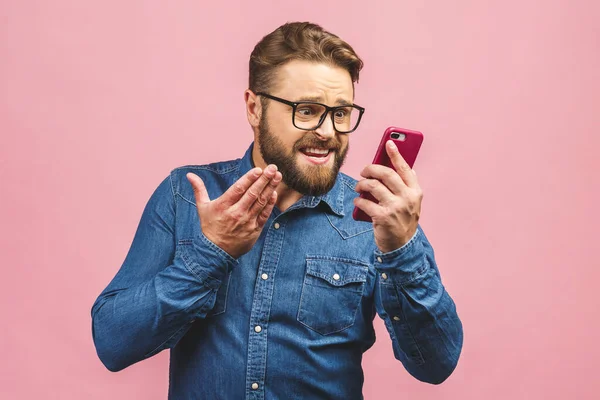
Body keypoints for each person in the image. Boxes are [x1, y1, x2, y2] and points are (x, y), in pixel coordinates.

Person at [91, 21, 463, 399]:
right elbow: (113, 344)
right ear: (254, 108)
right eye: (307, 110)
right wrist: (210, 254)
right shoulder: (185, 196)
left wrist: (402, 249)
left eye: (341, 112)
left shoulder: (376, 218)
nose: (328, 131)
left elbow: (436, 365)